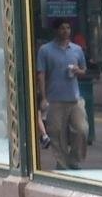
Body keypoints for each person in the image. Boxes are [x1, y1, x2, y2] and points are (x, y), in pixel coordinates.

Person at [36, 19, 88, 170]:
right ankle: (62, 163)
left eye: (68, 28)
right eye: (62, 28)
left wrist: (79, 71)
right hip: (55, 99)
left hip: (74, 98)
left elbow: (84, 70)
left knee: (81, 129)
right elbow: (41, 74)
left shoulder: (77, 50)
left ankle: (74, 159)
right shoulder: (45, 50)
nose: (66, 31)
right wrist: (44, 97)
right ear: (56, 31)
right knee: (57, 133)